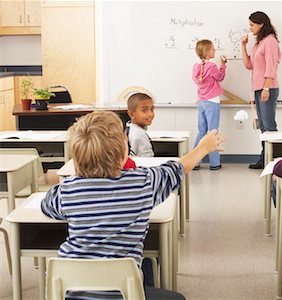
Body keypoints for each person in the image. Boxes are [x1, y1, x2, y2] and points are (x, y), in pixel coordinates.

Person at [41, 111, 225, 299]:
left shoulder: (68, 190)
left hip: (71, 291)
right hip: (123, 293)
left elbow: (47, 205)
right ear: (123, 153)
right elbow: (177, 169)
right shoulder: (143, 182)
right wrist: (203, 147)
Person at [242, 11, 281, 169]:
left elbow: (271, 67)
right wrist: (243, 46)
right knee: (263, 126)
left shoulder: (270, 41)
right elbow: (248, 65)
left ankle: (273, 159)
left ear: (261, 24)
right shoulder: (259, 43)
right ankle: (265, 157)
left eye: (252, 25)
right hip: (258, 88)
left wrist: (266, 88)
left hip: (267, 88)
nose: (250, 28)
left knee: (269, 125)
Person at [192, 39, 227, 171]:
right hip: (212, 102)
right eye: (213, 49)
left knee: (201, 131)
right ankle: (214, 163)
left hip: (201, 101)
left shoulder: (196, 66)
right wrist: (223, 65)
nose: (215, 50)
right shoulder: (212, 66)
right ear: (207, 52)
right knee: (213, 132)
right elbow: (220, 77)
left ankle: (194, 161)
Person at [126, 92, 155, 157]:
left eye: (152, 109)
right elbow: (148, 160)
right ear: (131, 114)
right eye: (144, 110)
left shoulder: (128, 127)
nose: (150, 114)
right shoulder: (140, 135)